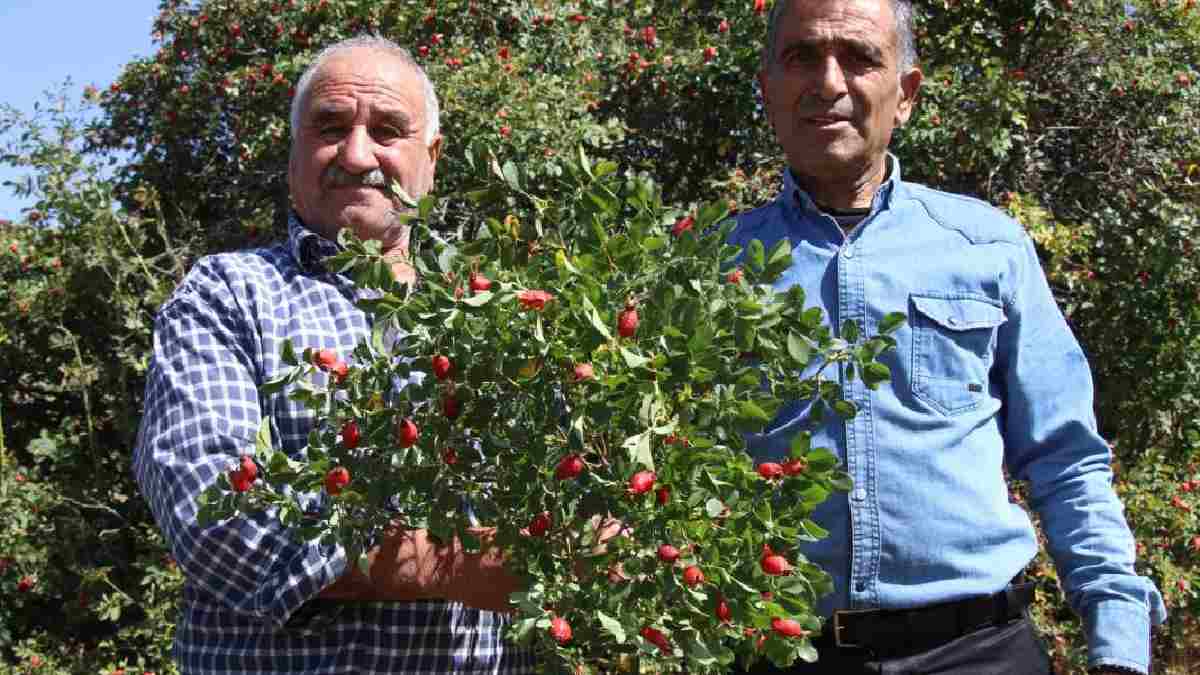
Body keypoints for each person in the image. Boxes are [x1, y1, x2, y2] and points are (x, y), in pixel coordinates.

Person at [729, 1, 1165, 674]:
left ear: (905, 94)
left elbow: (1065, 457)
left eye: (861, 57)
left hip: (978, 651)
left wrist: (1118, 642)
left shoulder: (986, 247)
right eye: (802, 57)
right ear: (766, 89)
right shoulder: (709, 269)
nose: (829, 81)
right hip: (780, 650)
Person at [133, 36, 536, 673]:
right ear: (293, 150)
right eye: (329, 127)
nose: (356, 153)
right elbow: (214, 516)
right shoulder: (228, 294)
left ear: (430, 158)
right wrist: (454, 565)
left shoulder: (502, 319)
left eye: (387, 130)